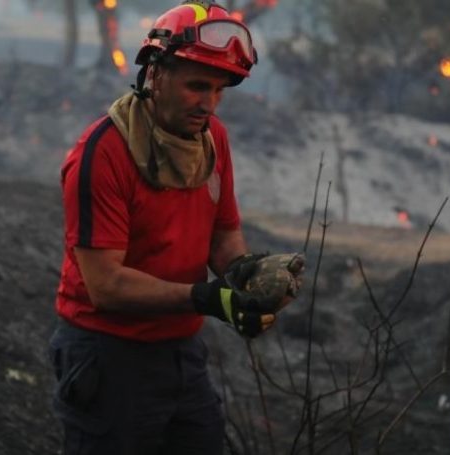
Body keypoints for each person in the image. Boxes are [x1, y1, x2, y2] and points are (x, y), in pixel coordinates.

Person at [48, 2, 298, 453]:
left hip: (180, 350)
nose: (209, 103)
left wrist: (243, 273)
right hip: (107, 356)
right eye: (197, 86)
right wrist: (205, 298)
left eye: (220, 89)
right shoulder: (101, 156)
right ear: (156, 74)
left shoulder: (211, 138)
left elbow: (222, 233)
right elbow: (105, 285)